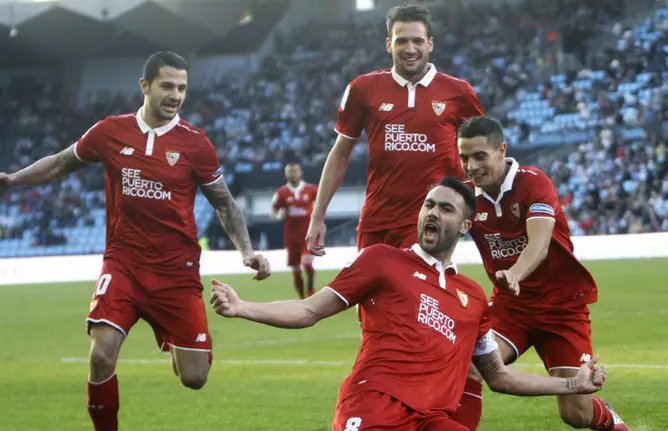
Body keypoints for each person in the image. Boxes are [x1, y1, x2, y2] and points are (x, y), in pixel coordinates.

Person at [0, 51, 271, 431]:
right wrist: (12, 180)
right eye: (167, 86)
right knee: (101, 356)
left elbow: (224, 203)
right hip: (123, 264)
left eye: (182, 88)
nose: (175, 95)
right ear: (144, 86)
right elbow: (61, 162)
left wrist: (247, 251)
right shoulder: (110, 131)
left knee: (194, 377)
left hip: (176, 272)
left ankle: (173, 339)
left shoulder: (196, 144)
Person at [212, 177, 608, 431]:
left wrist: (574, 384)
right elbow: (308, 310)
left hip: (432, 421)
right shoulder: (382, 259)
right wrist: (245, 307)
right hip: (373, 408)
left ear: (466, 226)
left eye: (446, 208)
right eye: (429, 205)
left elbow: (500, 378)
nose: (433, 213)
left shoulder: (472, 298)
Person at [304, 5, 487, 425]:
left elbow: (480, 158)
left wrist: (477, 217)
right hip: (379, 234)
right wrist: (318, 216)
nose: (409, 48)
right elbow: (341, 152)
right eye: (401, 40)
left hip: (432, 233)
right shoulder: (364, 89)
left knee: (445, 341)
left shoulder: (457, 92)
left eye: (417, 40)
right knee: (381, 338)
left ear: (430, 43)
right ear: (388, 43)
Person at [457, 116, 631, 431]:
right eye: (464, 158)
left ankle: (613, 423)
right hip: (512, 308)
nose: (471, 166)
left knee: (575, 414)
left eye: (479, 156)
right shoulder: (467, 197)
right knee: (471, 367)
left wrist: (515, 274)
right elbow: (440, 235)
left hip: (562, 307)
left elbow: (539, 243)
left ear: (501, 151)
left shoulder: (533, 182)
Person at [271, 162, 318, 298]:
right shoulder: (281, 193)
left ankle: (311, 291)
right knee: (296, 270)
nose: (292, 174)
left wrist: (317, 215)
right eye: (289, 172)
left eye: (295, 171)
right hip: (291, 236)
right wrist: (281, 215)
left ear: (300, 172)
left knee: (307, 264)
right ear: (286, 174)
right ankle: (302, 298)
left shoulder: (311, 189)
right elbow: (274, 211)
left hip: (308, 234)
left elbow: (320, 204)